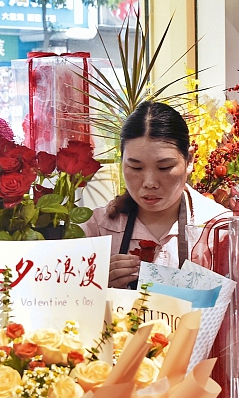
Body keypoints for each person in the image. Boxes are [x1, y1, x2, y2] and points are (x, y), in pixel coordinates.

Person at [82, 101, 228, 288]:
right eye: (136, 167)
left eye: (164, 167)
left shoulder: (218, 228)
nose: (150, 183)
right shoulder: (97, 229)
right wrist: (94, 286)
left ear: (189, 160)